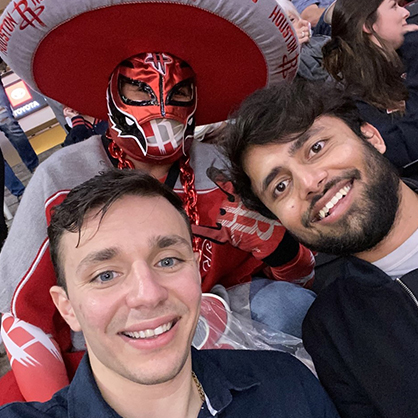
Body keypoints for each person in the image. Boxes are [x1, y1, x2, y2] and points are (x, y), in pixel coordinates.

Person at [0, 0, 315, 404]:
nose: (164, 109)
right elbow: (21, 316)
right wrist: (67, 408)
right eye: (141, 88)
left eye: (180, 91)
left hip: (222, 326)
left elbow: (301, 278)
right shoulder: (60, 180)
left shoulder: (220, 169)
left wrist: (277, 245)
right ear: (113, 93)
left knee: (290, 307)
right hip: (102, 349)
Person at [0, 169, 339, 418]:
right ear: (67, 307)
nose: (148, 294)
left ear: (195, 269)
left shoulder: (286, 384)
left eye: (167, 260)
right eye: (105, 275)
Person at [222, 79, 418, 418]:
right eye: (281, 187)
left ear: (371, 137)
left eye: (316, 148)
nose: (310, 184)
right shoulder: (333, 334)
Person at [322, 0, 418, 170]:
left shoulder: (410, 49)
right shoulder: (349, 99)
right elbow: (402, 152)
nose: (405, 13)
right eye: (393, 6)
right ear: (367, 24)